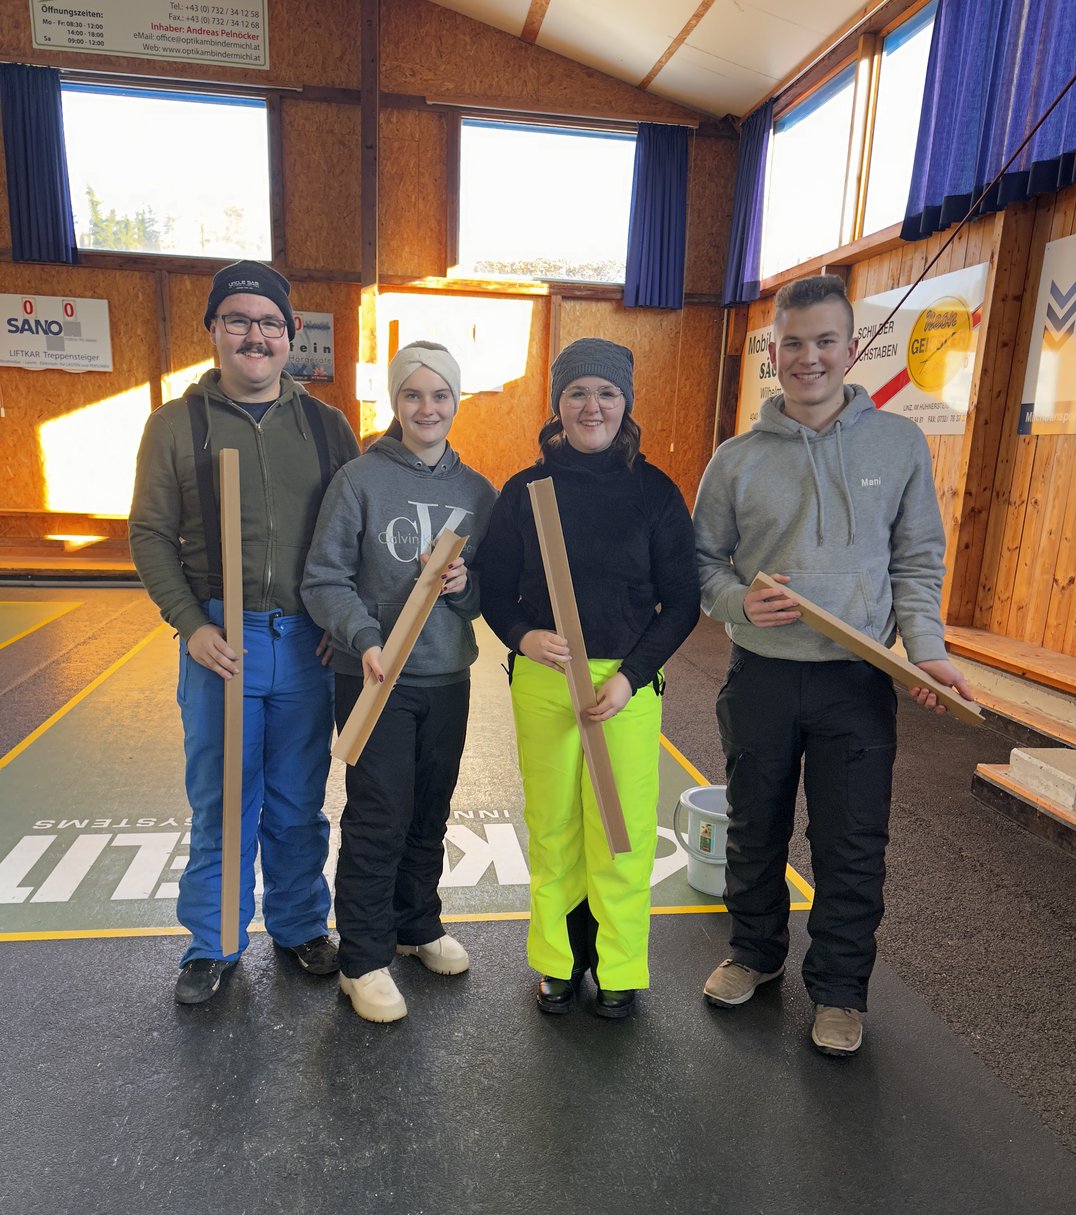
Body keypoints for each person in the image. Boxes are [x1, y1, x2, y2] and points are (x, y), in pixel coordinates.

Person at [693, 274, 974, 1056]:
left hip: (857, 679)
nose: (809, 358)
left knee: (852, 844)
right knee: (755, 828)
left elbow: (917, 560)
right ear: (773, 352)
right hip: (761, 676)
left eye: (825, 342)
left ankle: (841, 990)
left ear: (852, 349)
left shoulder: (898, 445)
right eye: (793, 343)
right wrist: (738, 602)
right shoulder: (736, 459)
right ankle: (754, 953)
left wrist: (926, 651)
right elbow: (701, 563)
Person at [129, 261, 360, 1005]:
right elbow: (150, 534)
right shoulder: (176, 424)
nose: (254, 336)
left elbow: (353, 536)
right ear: (214, 331)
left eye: (269, 323)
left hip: (306, 645)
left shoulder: (327, 427)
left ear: (290, 336)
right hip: (220, 644)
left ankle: (300, 927)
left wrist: (340, 623)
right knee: (224, 800)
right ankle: (214, 942)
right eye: (238, 320)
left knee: (297, 801)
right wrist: (191, 625)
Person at [476, 338, 700, 1020]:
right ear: (558, 405)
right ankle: (559, 962)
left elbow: (682, 602)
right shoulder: (525, 492)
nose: (591, 406)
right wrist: (523, 636)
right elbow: (493, 590)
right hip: (546, 680)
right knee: (553, 829)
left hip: (624, 690)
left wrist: (632, 676)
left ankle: (620, 965)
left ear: (625, 404)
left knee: (620, 832)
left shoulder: (655, 493)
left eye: (606, 393)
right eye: (577, 393)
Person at [301, 342, 496, 1025]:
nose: (427, 408)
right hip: (375, 677)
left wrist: (466, 586)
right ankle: (363, 958)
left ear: (456, 402)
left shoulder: (478, 493)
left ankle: (416, 924)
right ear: (395, 401)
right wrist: (364, 637)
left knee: (430, 810)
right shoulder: (358, 480)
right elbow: (324, 579)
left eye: (440, 395)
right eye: (413, 394)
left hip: (447, 676)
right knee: (379, 814)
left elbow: (489, 596)